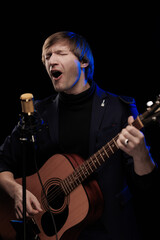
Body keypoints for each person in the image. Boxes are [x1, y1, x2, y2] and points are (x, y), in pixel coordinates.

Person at [0, 31, 159, 240]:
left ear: (83, 62)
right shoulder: (38, 112)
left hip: (111, 230)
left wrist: (141, 154)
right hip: (52, 232)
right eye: (47, 57)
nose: (51, 61)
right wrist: (16, 192)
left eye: (60, 53)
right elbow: (3, 162)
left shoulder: (120, 108)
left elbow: (146, 186)